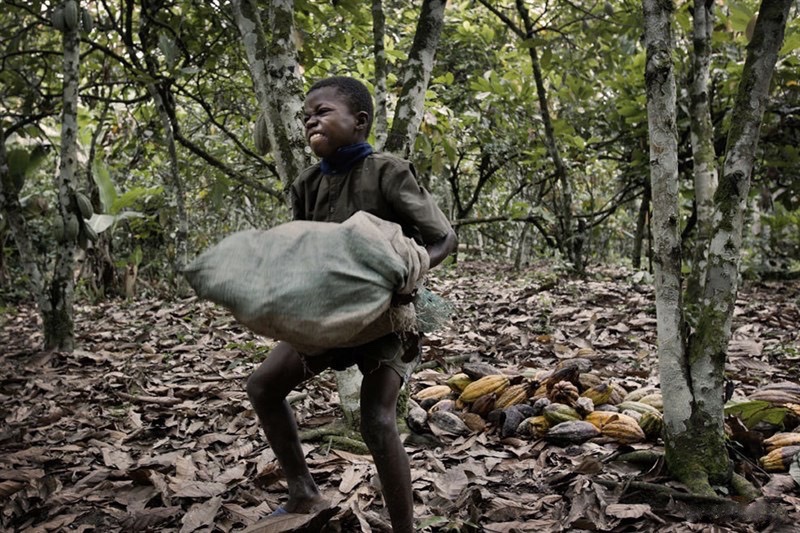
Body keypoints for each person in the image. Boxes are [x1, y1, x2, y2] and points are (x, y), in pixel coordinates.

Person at [246, 76, 457, 533]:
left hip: (387, 320)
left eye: (322, 112)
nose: (310, 122)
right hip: (329, 316)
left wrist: (410, 276)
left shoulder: (387, 172)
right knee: (263, 386)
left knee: (377, 421)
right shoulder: (305, 184)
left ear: (359, 122)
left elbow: (445, 238)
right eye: (305, 117)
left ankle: (404, 527)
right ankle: (302, 491)